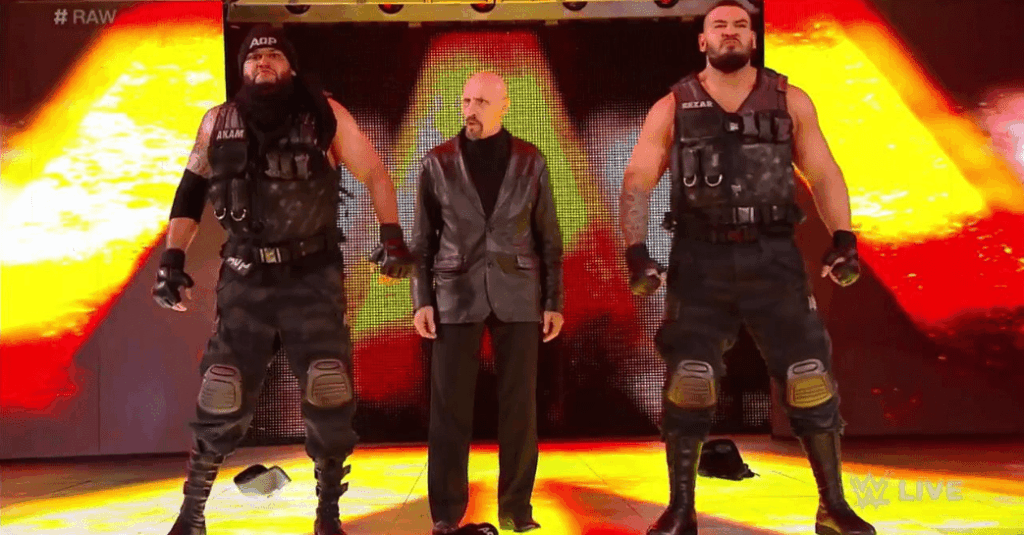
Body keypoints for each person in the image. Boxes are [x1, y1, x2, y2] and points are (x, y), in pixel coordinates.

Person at [619, 2, 875, 535]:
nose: (730, 32)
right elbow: (637, 179)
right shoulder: (672, 106)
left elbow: (823, 171)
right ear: (702, 41)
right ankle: (681, 510)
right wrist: (636, 249)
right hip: (700, 260)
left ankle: (833, 507)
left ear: (754, 39)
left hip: (773, 258)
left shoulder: (790, 100)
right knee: (690, 382)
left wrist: (844, 239)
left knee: (809, 379)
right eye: (719, 25)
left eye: (740, 25)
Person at [151, 24, 415, 535]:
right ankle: (191, 514)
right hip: (245, 275)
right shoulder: (218, 122)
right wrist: (172, 259)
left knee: (328, 390)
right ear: (242, 70)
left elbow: (376, 173)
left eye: (273, 55)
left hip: (311, 275)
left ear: (291, 66)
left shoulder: (323, 115)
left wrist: (392, 238)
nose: (262, 62)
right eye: (253, 58)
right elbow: (190, 190)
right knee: (221, 392)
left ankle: (327, 514)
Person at [409, 72, 565, 534]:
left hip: (519, 293)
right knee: (448, 411)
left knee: (520, 409)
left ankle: (517, 509)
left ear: (504, 106)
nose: (470, 110)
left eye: (480, 101)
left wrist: (553, 301)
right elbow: (422, 241)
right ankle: (445, 514)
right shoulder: (437, 162)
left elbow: (549, 239)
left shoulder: (530, 161)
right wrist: (422, 300)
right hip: (454, 292)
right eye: (465, 101)